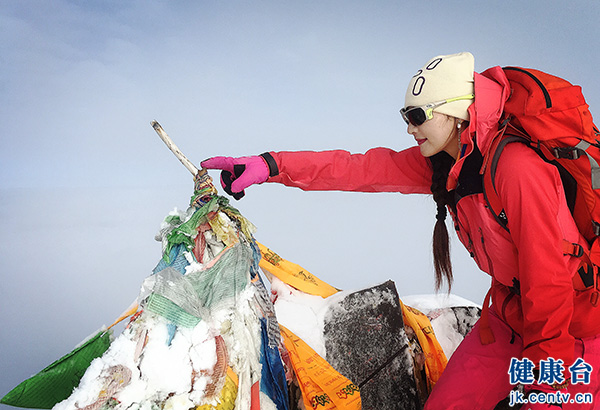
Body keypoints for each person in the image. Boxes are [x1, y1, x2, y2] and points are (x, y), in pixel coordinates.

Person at [201, 52, 600, 409]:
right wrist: (271, 165)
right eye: (406, 116)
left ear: (456, 113)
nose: (410, 129)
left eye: (418, 116)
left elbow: (548, 285)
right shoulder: (444, 165)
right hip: (510, 320)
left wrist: (548, 388)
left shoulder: (516, 170)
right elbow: (358, 169)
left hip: (575, 330)